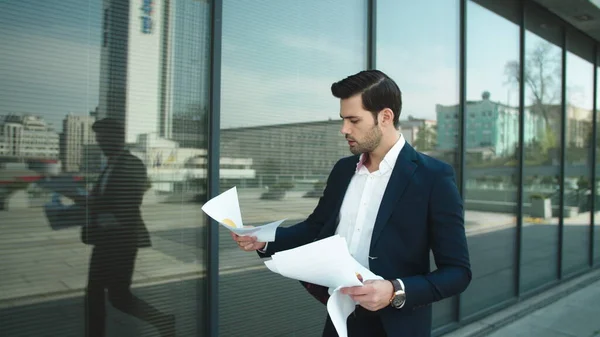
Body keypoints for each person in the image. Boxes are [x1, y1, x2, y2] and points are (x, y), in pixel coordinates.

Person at [231, 70, 472, 337]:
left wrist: (396, 290)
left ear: (385, 117)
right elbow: (315, 228)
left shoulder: (433, 177)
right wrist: (263, 239)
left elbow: (458, 272)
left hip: (397, 327)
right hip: (340, 319)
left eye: (353, 120)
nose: (344, 129)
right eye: (343, 119)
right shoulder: (343, 170)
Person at [78, 117, 175, 337]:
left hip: (120, 240)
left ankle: (163, 321)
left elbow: (126, 204)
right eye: (98, 138)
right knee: (96, 293)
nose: (100, 143)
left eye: (103, 138)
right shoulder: (110, 166)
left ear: (117, 138)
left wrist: (91, 204)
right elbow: (105, 200)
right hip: (106, 240)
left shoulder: (131, 164)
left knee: (117, 295)